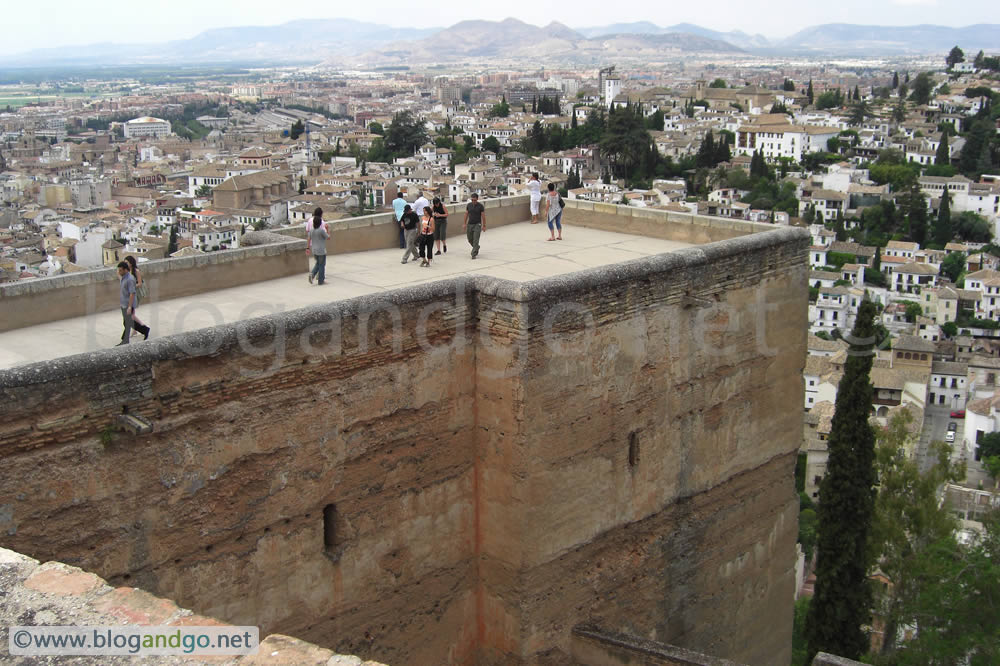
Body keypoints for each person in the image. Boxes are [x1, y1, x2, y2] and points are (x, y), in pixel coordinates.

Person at [124, 255, 150, 340]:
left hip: (136, 293)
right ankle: (136, 329)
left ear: (131, 263)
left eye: (127, 262)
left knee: (130, 314)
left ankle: (143, 327)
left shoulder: (136, 271)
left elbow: (140, 283)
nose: (125, 264)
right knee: (132, 313)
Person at [116, 261, 136, 346]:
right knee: (126, 322)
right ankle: (143, 329)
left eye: (120, 270)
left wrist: (130, 307)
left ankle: (125, 340)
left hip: (127, 304)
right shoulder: (123, 277)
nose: (119, 272)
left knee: (127, 323)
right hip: (123, 303)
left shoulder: (130, 279)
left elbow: (132, 293)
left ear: (125, 270)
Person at [307, 210, 330, 285]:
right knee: (322, 265)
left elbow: (309, 239)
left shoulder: (311, 230)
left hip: (314, 250)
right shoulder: (321, 231)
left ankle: (312, 274)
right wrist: (327, 229)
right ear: (320, 223)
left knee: (318, 263)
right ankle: (321, 280)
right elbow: (328, 237)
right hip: (321, 250)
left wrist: (308, 248)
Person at [463, 193, 486, 259]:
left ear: (477, 199)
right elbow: (466, 214)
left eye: (475, 200)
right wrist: (464, 223)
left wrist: (484, 226)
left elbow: (483, 216)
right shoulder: (469, 205)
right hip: (470, 224)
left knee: (476, 239)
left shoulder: (480, 206)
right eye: (472, 200)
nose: (473, 201)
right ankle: (477, 247)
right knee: (470, 239)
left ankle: (473, 254)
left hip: (477, 225)